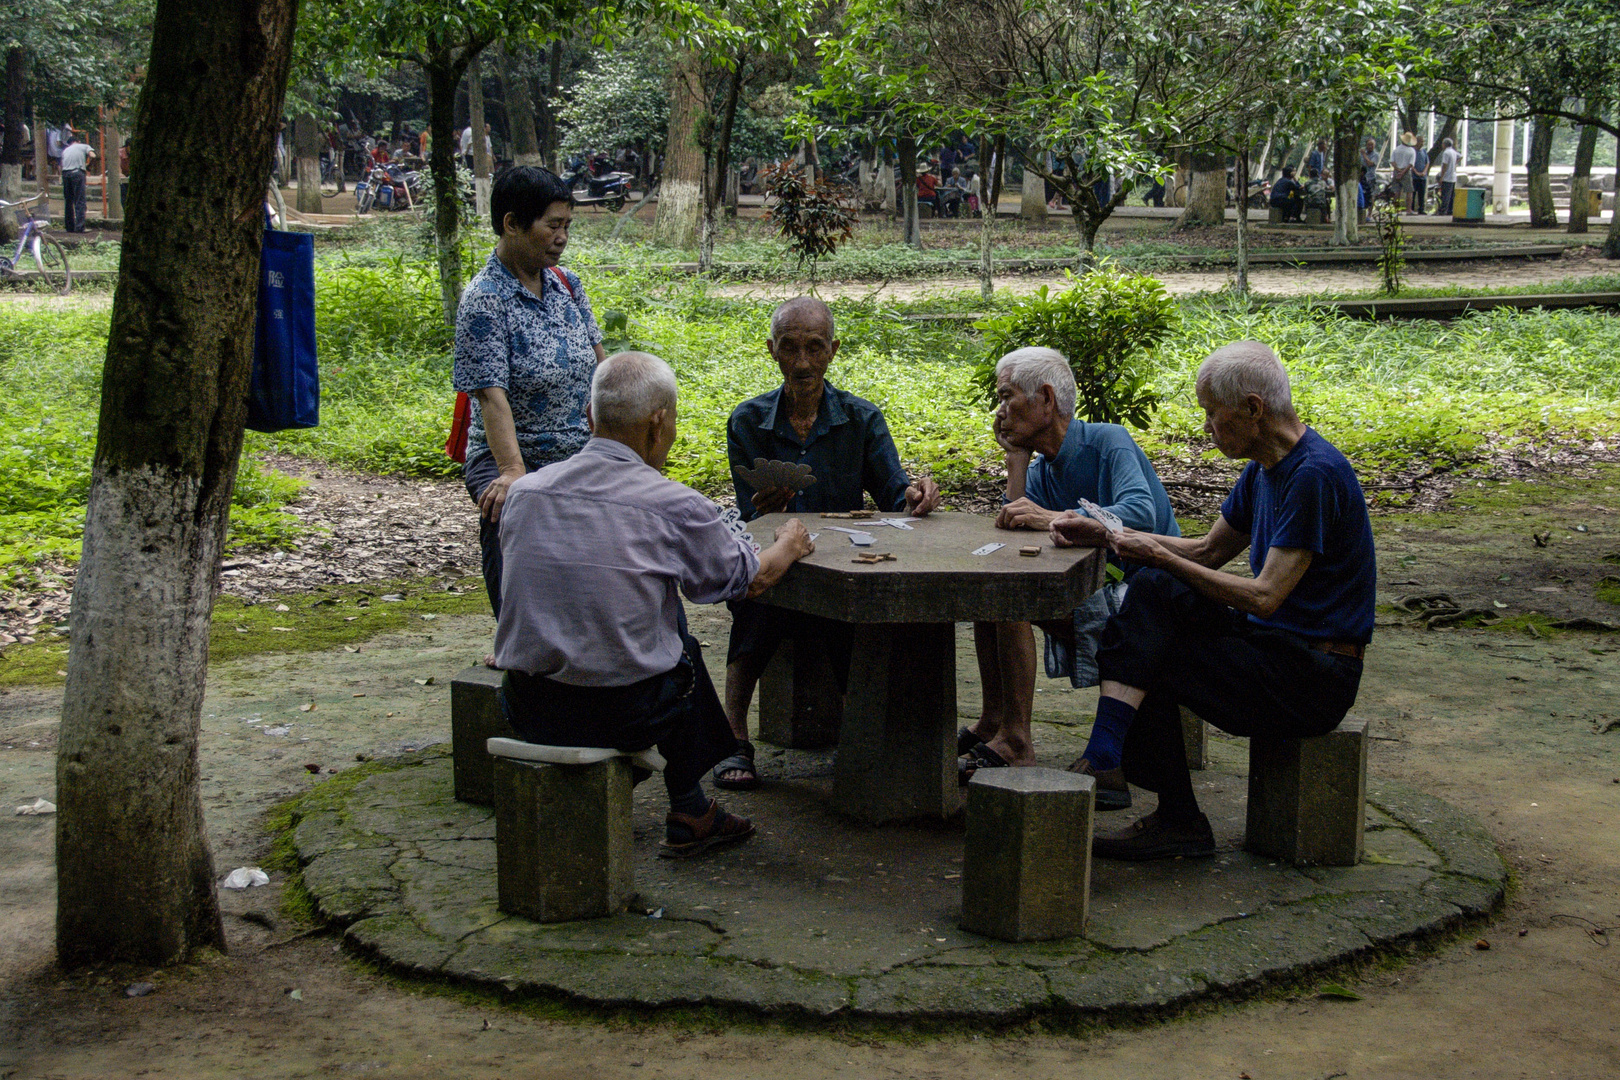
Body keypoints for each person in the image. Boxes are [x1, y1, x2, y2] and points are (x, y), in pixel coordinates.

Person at [1052, 341, 1374, 861]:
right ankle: (1116, 762)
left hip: (1314, 675)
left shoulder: (1314, 474)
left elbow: (1266, 597)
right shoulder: (1264, 470)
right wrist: (1105, 533)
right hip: (1274, 648)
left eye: (1210, 412)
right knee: (1153, 598)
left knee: (1148, 647)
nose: (1206, 427)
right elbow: (1207, 550)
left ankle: (1163, 805)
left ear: (1252, 407)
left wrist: (1155, 552)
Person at [494, 350, 817, 857]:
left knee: (657, 630)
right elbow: (749, 581)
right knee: (678, 651)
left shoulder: (527, 494)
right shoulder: (673, 503)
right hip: (622, 713)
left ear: (589, 417)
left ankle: (692, 804)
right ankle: (693, 803)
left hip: (528, 706)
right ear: (658, 421)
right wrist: (790, 542)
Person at [717, 297, 944, 790]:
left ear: (833, 351)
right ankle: (732, 734)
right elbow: (748, 515)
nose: (802, 362)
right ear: (771, 350)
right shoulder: (748, 421)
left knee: (854, 617)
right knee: (756, 604)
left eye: (814, 348)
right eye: (790, 348)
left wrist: (913, 495)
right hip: (776, 558)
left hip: (844, 562)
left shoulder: (861, 420)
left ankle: (865, 738)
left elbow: (893, 495)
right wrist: (767, 508)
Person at [958, 348, 1179, 795]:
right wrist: (1016, 463)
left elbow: (1142, 513)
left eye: (1006, 397)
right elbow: (1018, 531)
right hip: (1096, 591)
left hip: (1146, 597)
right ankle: (994, 723)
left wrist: (1052, 517)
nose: (999, 411)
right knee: (992, 594)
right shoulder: (1043, 465)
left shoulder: (1108, 441)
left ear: (1045, 398)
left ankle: (1017, 740)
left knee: (1009, 601)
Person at [453, 166, 606, 620]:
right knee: (515, 505)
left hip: (579, 449)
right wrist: (513, 470)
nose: (562, 237)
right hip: (511, 452)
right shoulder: (485, 299)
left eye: (567, 226)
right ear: (512, 224)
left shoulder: (566, 283)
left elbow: (603, 368)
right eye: (552, 226)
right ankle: (517, 632)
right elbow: (490, 398)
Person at [59, 134, 96, 233]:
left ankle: (69, 227)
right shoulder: (84, 146)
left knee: (68, 201)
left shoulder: (65, 150)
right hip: (77, 173)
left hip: (66, 174)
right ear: (78, 141)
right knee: (80, 200)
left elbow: (61, 165)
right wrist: (89, 166)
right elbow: (93, 155)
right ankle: (80, 227)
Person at [1391, 132, 1417, 209]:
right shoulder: (1411, 150)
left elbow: (1392, 161)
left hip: (1396, 171)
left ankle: (1396, 209)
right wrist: (1402, 172)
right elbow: (1410, 164)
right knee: (1409, 191)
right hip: (1406, 172)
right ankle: (1408, 209)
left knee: (1397, 191)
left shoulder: (1396, 149)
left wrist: (1398, 170)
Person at [1435, 137, 1459, 217]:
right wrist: (1455, 163)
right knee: (1451, 195)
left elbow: (1444, 165)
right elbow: (1461, 156)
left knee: (1445, 195)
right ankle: (1450, 210)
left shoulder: (1446, 153)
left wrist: (1441, 177)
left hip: (1447, 177)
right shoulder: (1453, 152)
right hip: (1453, 176)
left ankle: (1443, 210)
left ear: (1444, 144)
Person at [1359, 137, 1380, 210]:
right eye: (1369, 145)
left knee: (1371, 196)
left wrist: (1364, 155)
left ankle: (1370, 214)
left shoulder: (1376, 155)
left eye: (1372, 145)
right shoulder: (1361, 154)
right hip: (1362, 178)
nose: (1370, 146)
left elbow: (1370, 164)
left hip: (1370, 177)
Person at [1411, 140, 1429, 214]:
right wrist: (1416, 172)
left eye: (1423, 142)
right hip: (1414, 177)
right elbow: (1410, 163)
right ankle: (1411, 208)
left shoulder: (1424, 151)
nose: (1422, 143)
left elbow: (1427, 162)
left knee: (1422, 193)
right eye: (1420, 141)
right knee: (1413, 193)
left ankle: (1421, 209)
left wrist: (1424, 171)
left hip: (1423, 177)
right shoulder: (1413, 151)